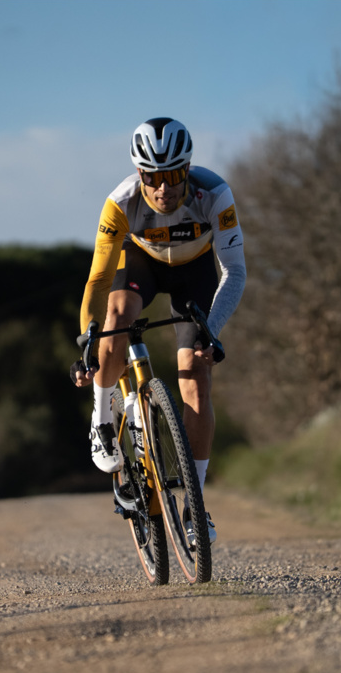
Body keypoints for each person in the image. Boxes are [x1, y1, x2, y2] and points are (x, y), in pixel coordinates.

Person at [71, 117, 246, 544]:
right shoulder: (120, 203)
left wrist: (211, 330)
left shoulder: (215, 195)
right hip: (141, 264)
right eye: (152, 177)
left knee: (197, 378)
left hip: (195, 271)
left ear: (186, 169)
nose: (163, 188)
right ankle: (103, 418)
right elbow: (97, 280)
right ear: (139, 173)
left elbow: (235, 271)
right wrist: (89, 340)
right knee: (117, 316)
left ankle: (194, 507)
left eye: (173, 175)